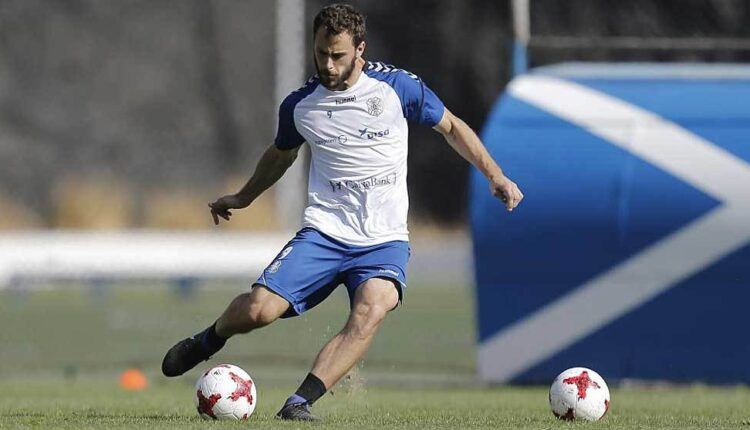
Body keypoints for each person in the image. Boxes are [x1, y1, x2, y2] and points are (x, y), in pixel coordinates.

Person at [161, 3, 523, 421]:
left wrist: (494, 175)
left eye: (338, 55)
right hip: (325, 232)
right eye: (320, 54)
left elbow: (453, 127)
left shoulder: (398, 88)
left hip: (384, 239)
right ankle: (210, 339)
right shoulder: (301, 105)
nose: (327, 65)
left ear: (360, 50)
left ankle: (299, 402)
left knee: (374, 306)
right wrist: (244, 197)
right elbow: (281, 155)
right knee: (260, 311)